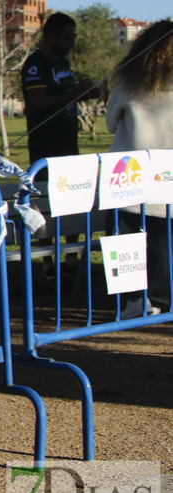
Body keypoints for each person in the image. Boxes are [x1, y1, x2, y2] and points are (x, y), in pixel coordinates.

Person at [106, 19, 173, 318]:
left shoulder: (129, 80)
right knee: (162, 242)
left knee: (128, 241)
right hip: (165, 178)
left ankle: (134, 300)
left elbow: (110, 122)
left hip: (126, 176)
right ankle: (161, 300)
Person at [21, 12, 101, 179]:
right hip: (46, 145)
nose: (72, 43)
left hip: (69, 141)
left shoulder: (64, 62)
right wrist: (75, 94)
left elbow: (65, 92)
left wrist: (84, 91)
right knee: (49, 198)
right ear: (51, 36)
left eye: (74, 37)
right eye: (67, 38)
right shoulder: (36, 64)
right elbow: (39, 102)